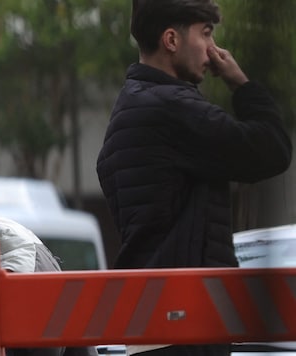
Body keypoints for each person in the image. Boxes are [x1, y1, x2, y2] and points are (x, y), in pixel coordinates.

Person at [96, 1, 292, 355]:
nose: (214, 50)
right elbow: (271, 148)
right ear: (171, 39)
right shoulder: (173, 108)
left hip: (149, 323)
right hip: (188, 321)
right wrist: (240, 83)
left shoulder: (128, 109)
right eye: (205, 33)